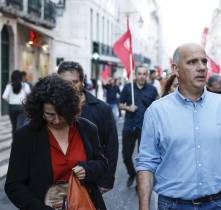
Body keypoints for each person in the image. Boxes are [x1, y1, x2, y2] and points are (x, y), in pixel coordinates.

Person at [136, 43, 221, 210]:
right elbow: (146, 163)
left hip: (218, 204)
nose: (201, 67)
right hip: (173, 205)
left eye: (204, 61)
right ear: (176, 69)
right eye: (192, 62)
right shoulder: (156, 111)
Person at [5, 74, 108, 210]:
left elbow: (102, 163)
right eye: (50, 114)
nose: (57, 120)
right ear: (39, 110)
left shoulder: (87, 129)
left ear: (70, 108)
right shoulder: (26, 137)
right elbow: (14, 186)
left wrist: (87, 170)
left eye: (62, 113)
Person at [57, 61, 118, 193]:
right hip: (57, 181)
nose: (70, 87)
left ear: (82, 81)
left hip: (91, 180)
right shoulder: (50, 108)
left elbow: (111, 146)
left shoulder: (102, 109)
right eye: (65, 83)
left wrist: (107, 180)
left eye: (74, 82)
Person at [119, 65, 158, 187]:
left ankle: (140, 182)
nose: (141, 76)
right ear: (135, 74)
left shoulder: (152, 90)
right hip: (129, 126)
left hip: (145, 128)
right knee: (126, 155)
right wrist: (127, 108)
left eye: (144, 74)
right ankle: (132, 173)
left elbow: (157, 107)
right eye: (139, 74)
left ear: (147, 75)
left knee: (143, 158)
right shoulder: (127, 88)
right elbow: (120, 104)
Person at [2, 70, 31, 139]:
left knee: (14, 126)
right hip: (22, 108)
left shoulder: (9, 86)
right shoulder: (25, 85)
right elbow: (30, 94)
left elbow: (4, 96)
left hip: (12, 108)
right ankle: (19, 142)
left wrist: (10, 101)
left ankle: (14, 142)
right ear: (21, 77)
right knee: (20, 126)